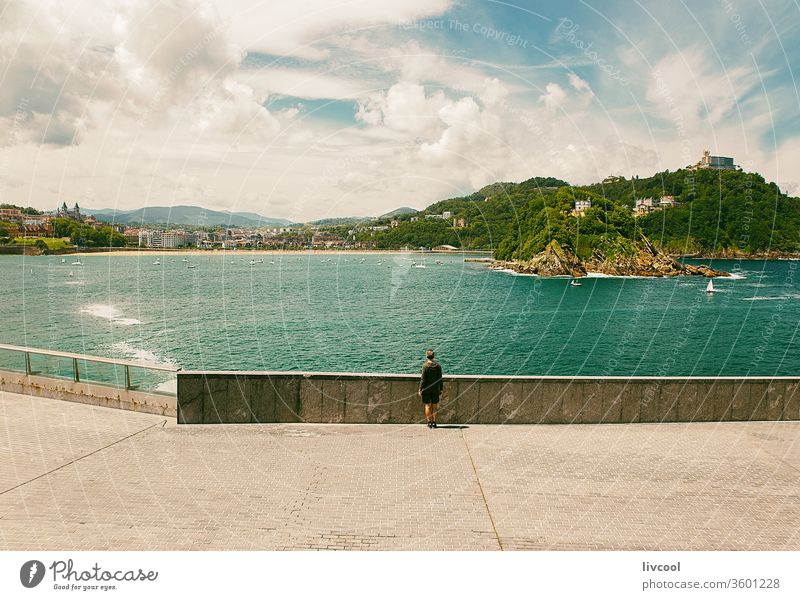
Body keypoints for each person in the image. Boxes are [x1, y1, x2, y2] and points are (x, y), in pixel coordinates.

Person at [418, 348, 443, 428]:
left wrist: (420, 389)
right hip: (435, 389)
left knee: (428, 406)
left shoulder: (425, 366)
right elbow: (440, 379)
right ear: (433, 356)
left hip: (426, 389)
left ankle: (429, 422)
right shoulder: (438, 366)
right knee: (435, 406)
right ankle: (434, 422)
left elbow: (423, 379)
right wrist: (441, 388)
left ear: (426, 356)